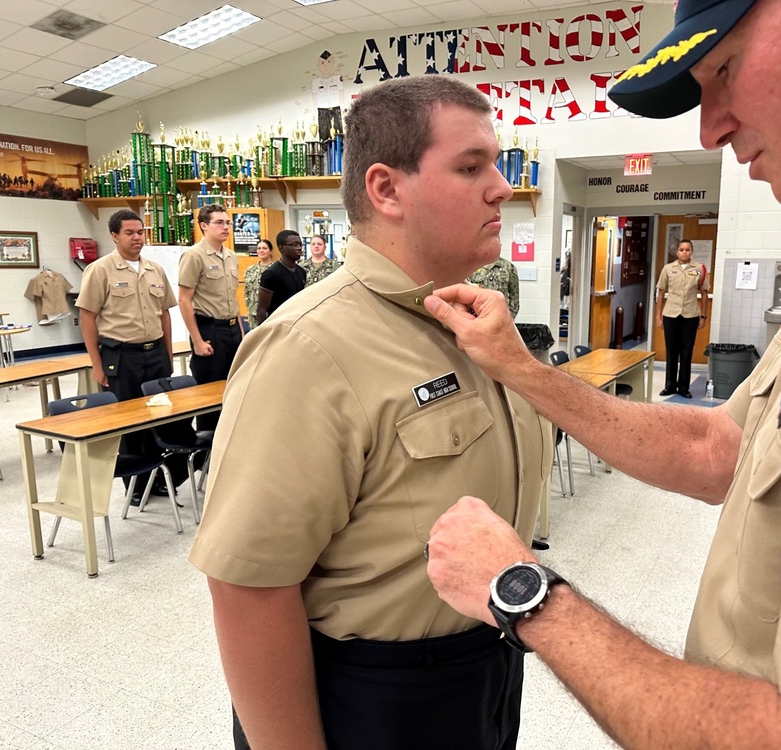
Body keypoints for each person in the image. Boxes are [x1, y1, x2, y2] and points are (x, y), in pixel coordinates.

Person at [422, 0, 781, 748]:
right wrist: (521, 369)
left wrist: (527, 594)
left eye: (725, 70)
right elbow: (722, 450)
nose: (710, 127)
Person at [189, 75, 552, 750]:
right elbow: (247, 586)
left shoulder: (466, 318)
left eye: (495, 164)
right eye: (471, 167)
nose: (501, 186)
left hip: (483, 667)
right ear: (387, 190)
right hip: (374, 698)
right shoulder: (309, 347)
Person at [77, 209, 185, 501]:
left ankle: (157, 480)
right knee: (129, 423)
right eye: (129, 233)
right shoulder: (100, 270)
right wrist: (96, 365)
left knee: (158, 416)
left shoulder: (154, 269)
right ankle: (135, 486)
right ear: (114, 235)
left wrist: (168, 353)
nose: (137, 238)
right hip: (121, 356)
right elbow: (87, 317)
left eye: (140, 232)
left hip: (155, 354)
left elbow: (163, 313)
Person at [178, 203, 242, 430]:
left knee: (233, 387)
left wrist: (241, 333)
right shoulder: (194, 256)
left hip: (233, 328)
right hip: (209, 330)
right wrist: (196, 340)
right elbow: (184, 299)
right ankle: (207, 450)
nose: (226, 227)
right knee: (209, 393)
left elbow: (233, 299)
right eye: (219, 223)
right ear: (204, 226)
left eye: (228, 223)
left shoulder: (231, 256)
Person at [654, 238, 707, 398]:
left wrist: (703, 316)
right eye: (681, 250)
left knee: (686, 351)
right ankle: (670, 386)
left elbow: (704, 293)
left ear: (691, 251)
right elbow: (661, 293)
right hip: (670, 314)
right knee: (671, 350)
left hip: (690, 315)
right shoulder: (668, 268)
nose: (684, 252)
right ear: (677, 252)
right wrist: (658, 316)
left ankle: (684, 388)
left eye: (687, 249)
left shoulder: (698, 269)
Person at [255, 230, 306, 326]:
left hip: (296, 326)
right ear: (281, 248)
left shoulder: (301, 272)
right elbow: (261, 310)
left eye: (300, 245)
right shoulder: (271, 274)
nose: (299, 248)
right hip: (278, 327)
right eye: (294, 245)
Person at [243, 238, 273, 330]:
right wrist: (248, 309)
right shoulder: (250, 270)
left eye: (264, 248)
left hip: (271, 313)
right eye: (259, 248)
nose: (261, 251)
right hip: (253, 313)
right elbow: (247, 291)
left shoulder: (275, 269)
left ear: (270, 251)